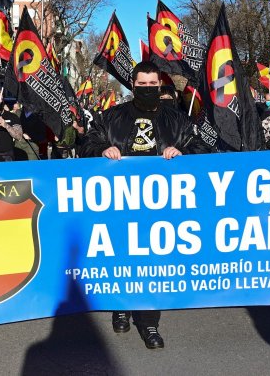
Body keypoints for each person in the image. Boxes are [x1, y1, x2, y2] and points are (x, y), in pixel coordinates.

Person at [79, 61, 211, 349]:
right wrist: (102, 149)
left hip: (159, 205)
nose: (148, 89)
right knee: (120, 259)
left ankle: (149, 321)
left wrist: (183, 151)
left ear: (159, 85)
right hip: (118, 202)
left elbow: (203, 149)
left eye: (154, 85)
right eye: (143, 85)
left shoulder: (177, 119)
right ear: (133, 85)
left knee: (152, 262)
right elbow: (86, 144)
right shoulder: (111, 117)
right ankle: (121, 307)